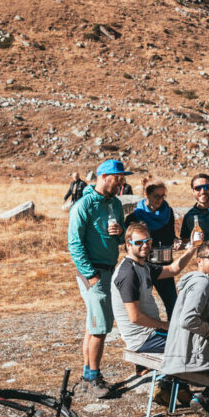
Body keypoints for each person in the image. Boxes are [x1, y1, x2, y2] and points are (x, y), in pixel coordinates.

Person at [67, 158, 128, 394]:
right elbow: (74, 244)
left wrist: (120, 233)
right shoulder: (83, 205)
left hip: (108, 269)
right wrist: (90, 274)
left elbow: (121, 238)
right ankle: (94, 379)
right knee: (100, 327)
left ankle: (87, 374)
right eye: (117, 178)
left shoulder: (115, 204)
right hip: (92, 271)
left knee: (93, 326)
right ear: (104, 177)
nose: (121, 182)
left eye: (122, 178)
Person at [161, 243, 209, 417]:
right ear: (199, 261)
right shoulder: (203, 283)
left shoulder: (196, 281)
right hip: (191, 356)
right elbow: (188, 320)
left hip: (184, 351)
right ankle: (206, 399)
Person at [112, 225, 196, 361]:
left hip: (151, 332)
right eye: (138, 242)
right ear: (128, 245)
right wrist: (164, 325)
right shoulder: (128, 274)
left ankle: (171, 379)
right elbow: (135, 317)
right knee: (196, 344)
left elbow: (173, 269)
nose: (145, 246)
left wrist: (193, 247)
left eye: (148, 241)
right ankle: (170, 379)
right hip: (143, 338)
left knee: (194, 335)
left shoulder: (143, 266)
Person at [125, 179, 179, 318]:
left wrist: (176, 241)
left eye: (163, 196)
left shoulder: (168, 212)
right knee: (142, 306)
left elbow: (171, 236)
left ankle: (172, 335)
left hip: (164, 265)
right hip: (142, 266)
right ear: (146, 195)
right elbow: (128, 246)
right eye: (156, 196)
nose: (160, 200)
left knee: (173, 304)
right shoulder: (134, 217)